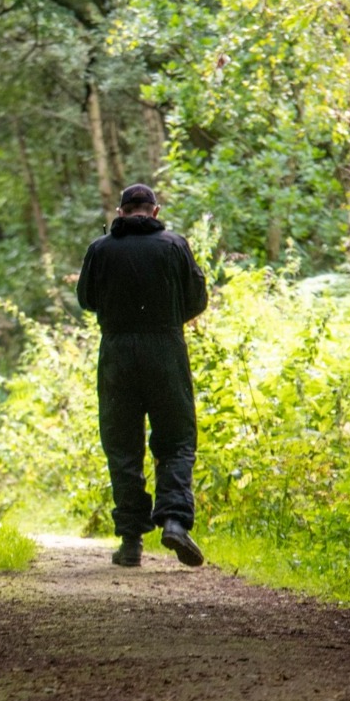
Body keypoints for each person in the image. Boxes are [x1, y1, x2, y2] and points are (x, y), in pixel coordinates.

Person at [76, 184, 208, 568]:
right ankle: (174, 520)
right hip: (166, 350)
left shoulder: (100, 250)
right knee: (177, 440)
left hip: (116, 353)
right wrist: (165, 320)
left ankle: (131, 540)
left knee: (122, 446)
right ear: (155, 211)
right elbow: (197, 299)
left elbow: (86, 299)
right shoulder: (174, 245)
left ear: (120, 212)